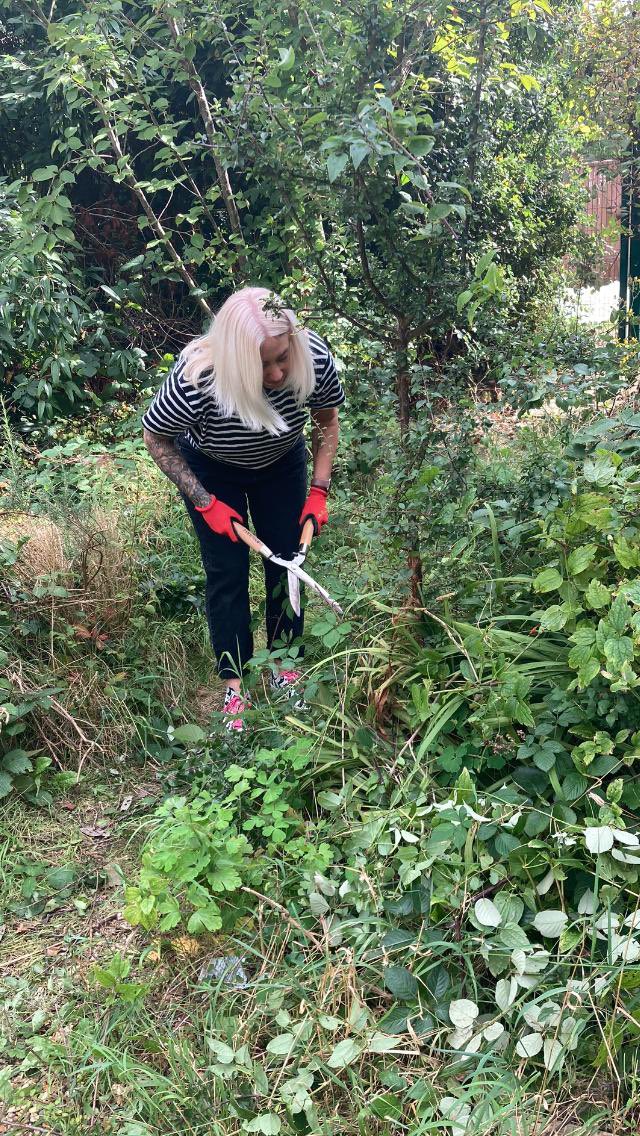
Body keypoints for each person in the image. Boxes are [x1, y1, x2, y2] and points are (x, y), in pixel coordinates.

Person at [142, 286, 345, 731]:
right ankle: (235, 687)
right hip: (213, 469)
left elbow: (327, 420)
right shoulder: (198, 377)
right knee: (227, 572)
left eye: (282, 358)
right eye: (261, 365)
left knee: (287, 562)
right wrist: (205, 502)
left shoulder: (313, 355)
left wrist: (319, 490)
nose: (277, 374)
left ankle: (284, 667)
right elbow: (156, 437)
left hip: (282, 463)